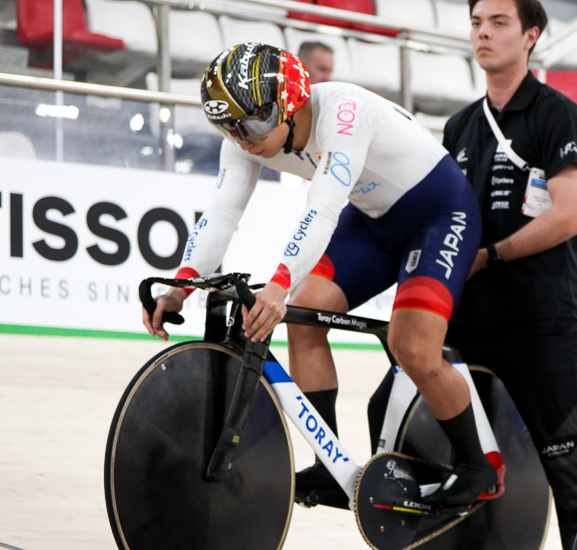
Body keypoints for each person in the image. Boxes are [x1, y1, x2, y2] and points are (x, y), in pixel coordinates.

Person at [318, 0, 577, 550]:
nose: (482, 32)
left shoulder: (558, 115)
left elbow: (569, 216)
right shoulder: (461, 124)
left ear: (531, 37)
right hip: (468, 306)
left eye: (499, 22)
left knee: (566, 457)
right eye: (476, 21)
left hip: (540, 316)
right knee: (387, 406)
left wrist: (493, 256)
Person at [142, 43, 499, 511]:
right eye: (228, 127)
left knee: (412, 347)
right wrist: (182, 284)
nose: (244, 138)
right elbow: (223, 210)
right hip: (372, 220)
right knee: (305, 317)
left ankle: (480, 469)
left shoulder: (344, 112)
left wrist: (278, 285)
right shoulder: (249, 134)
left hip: (439, 214)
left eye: (252, 124)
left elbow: (324, 208)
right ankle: (329, 467)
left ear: (290, 102)